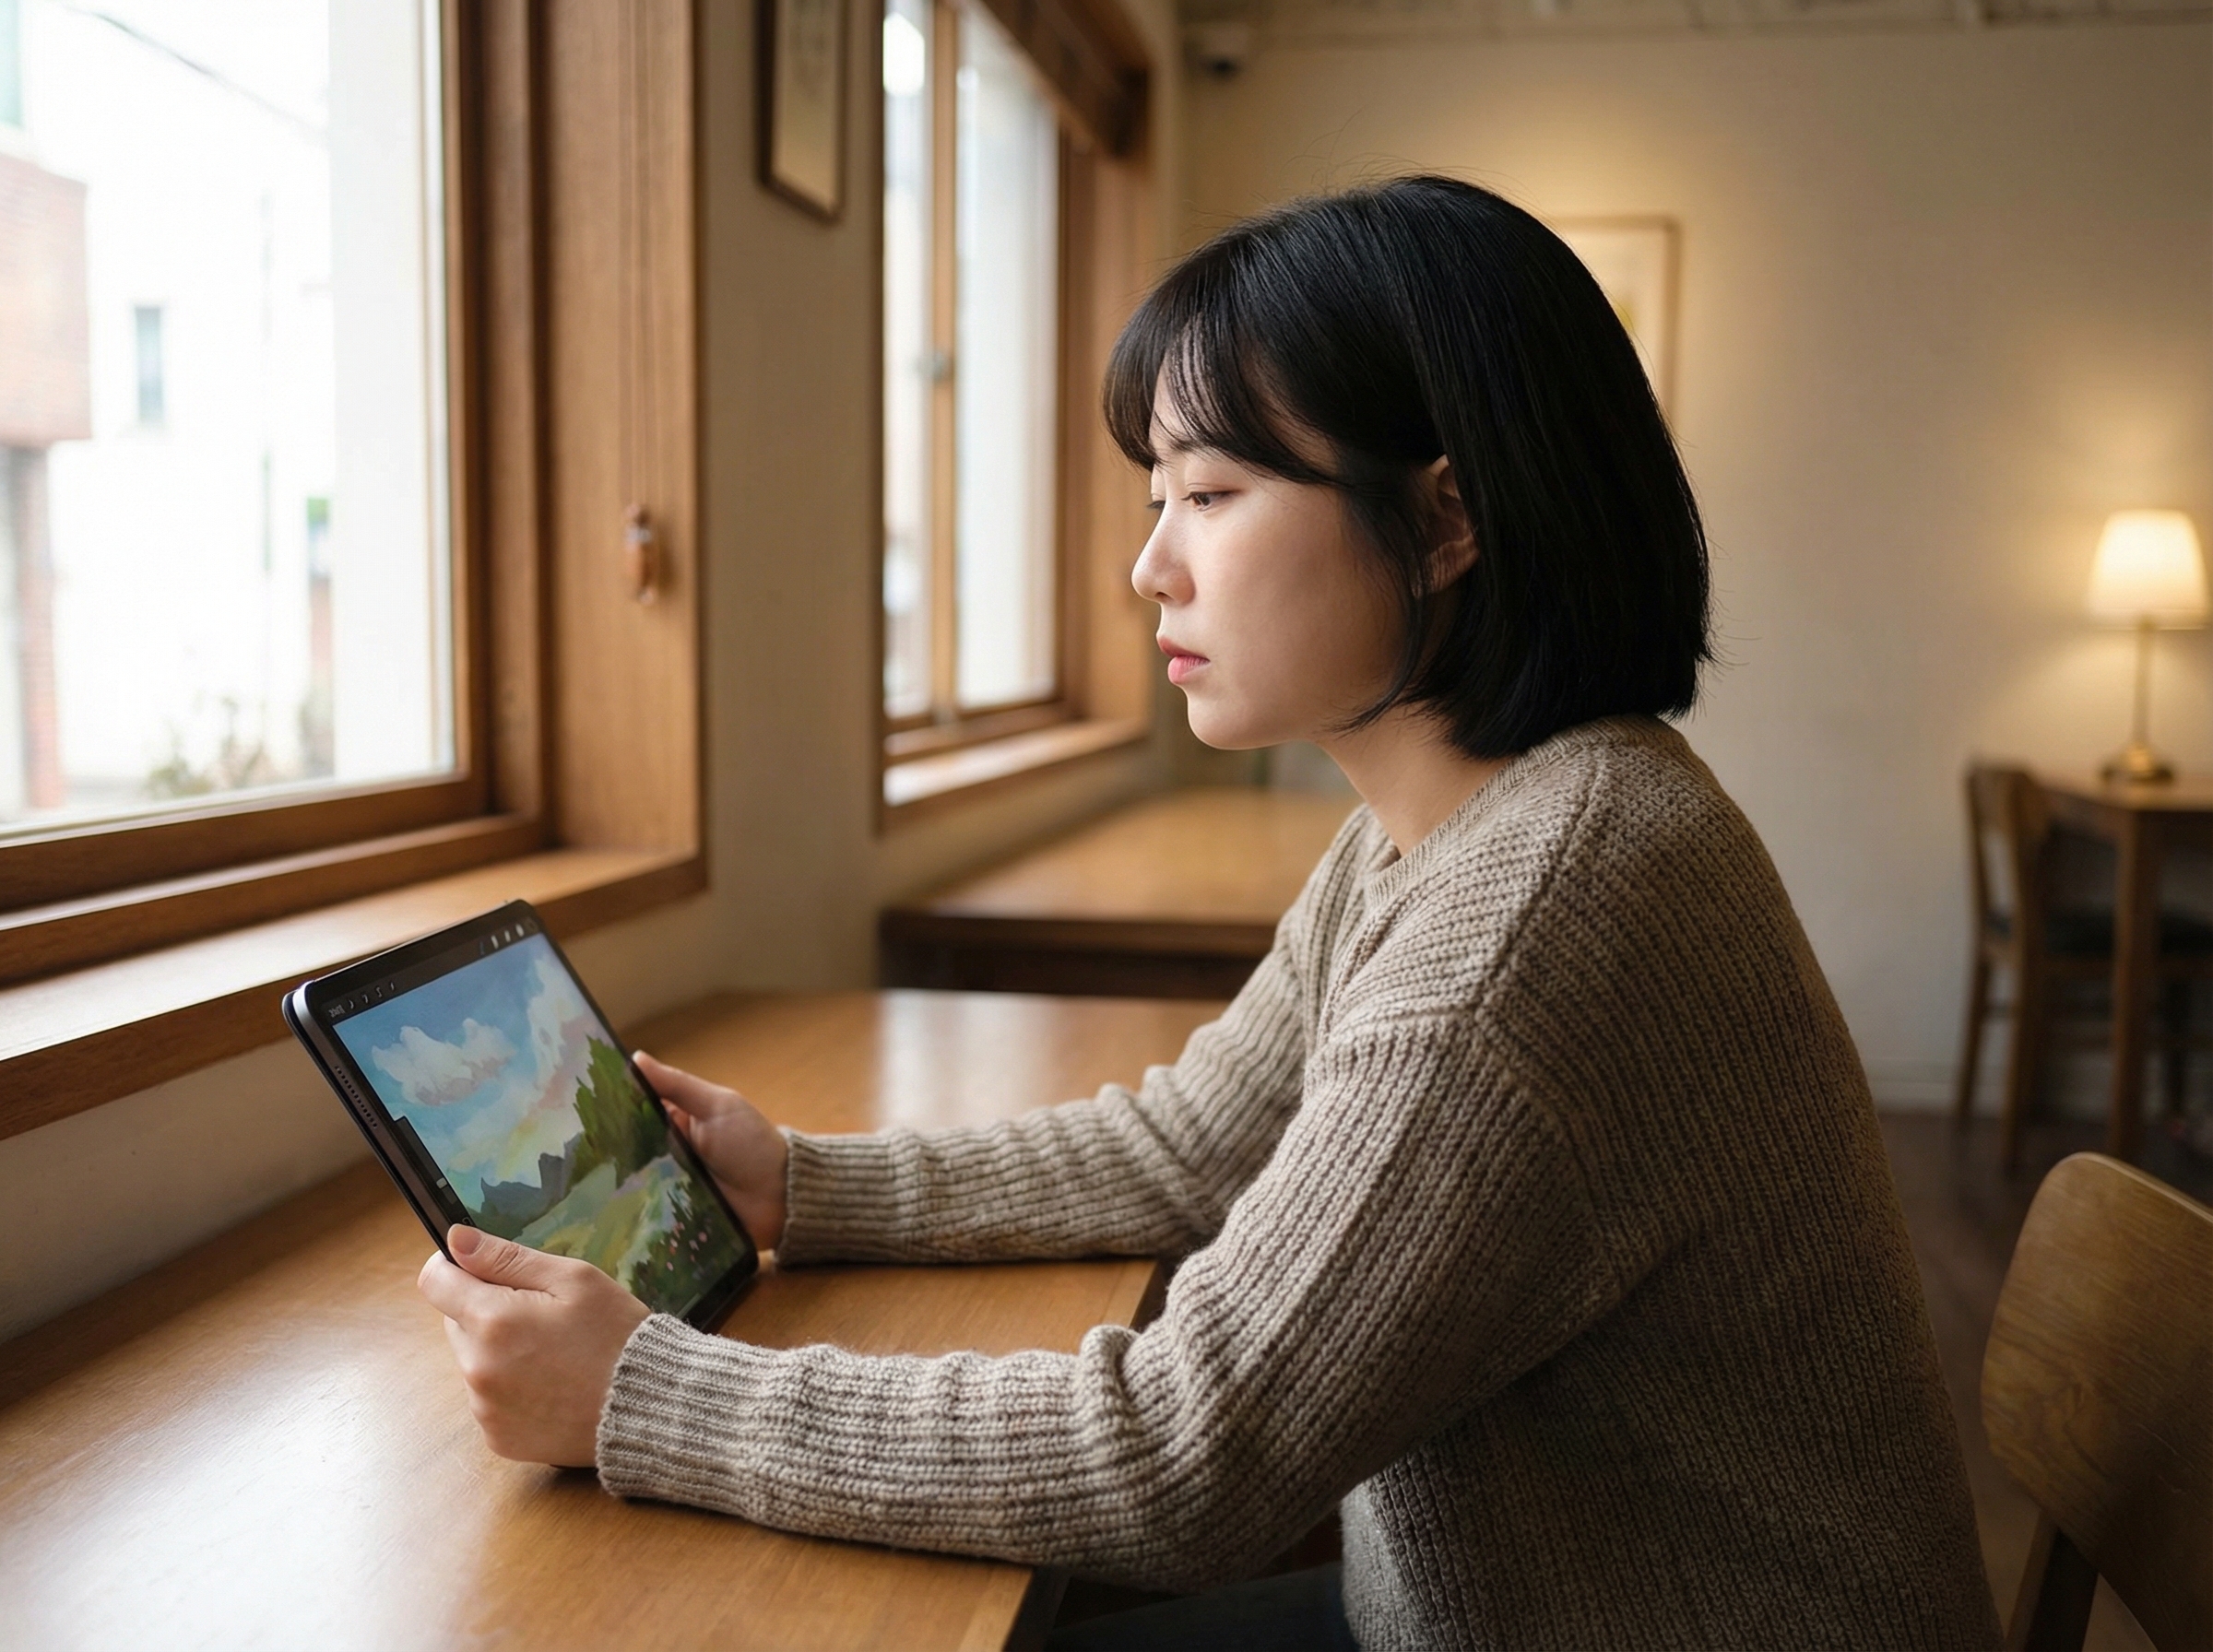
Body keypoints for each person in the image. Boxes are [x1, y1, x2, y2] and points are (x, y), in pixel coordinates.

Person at [417, 175, 2001, 1650]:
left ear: (1446, 523)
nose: (1148, 567)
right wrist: (804, 1186)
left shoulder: (1544, 910)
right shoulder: (1458, 825)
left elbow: (1185, 1458)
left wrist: (648, 1397)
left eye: (1214, 493)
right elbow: (1192, 1143)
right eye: (1154, 494)